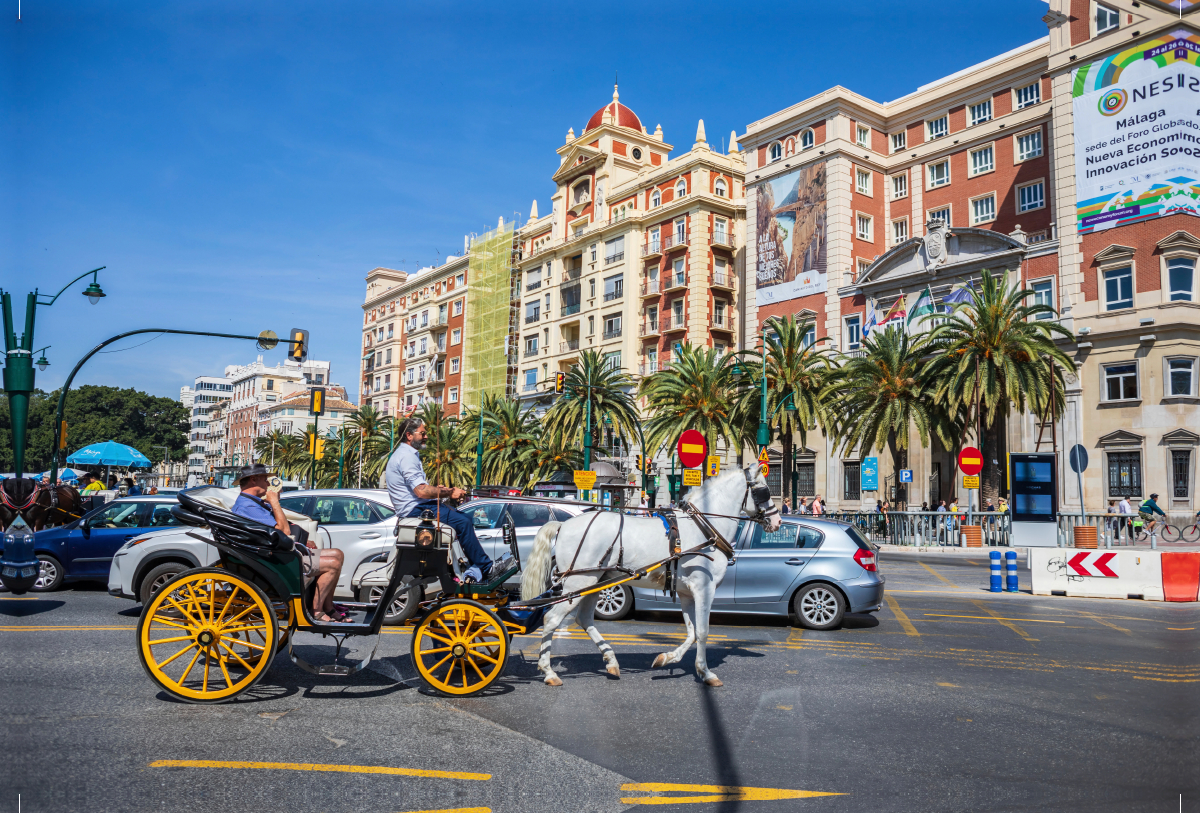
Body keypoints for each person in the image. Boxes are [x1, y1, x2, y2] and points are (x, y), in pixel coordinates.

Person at [230, 463, 347, 623]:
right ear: (253, 479)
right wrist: (274, 502)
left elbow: (280, 527)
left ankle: (328, 606)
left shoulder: (253, 503)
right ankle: (317, 611)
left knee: (337, 554)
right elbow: (283, 531)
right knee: (332, 564)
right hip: (274, 560)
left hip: (277, 553)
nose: (268, 483)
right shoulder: (247, 506)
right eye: (265, 479)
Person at [386, 417, 492, 583]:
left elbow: (420, 488)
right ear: (409, 435)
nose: (426, 436)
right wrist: (449, 493)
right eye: (422, 433)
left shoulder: (405, 454)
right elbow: (421, 491)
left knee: (464, 519)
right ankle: (484, 567)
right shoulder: (406, 457)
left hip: (418, 506)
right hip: (416, 510)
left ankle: (469, 568)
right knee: (463, 522)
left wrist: (439, 490)